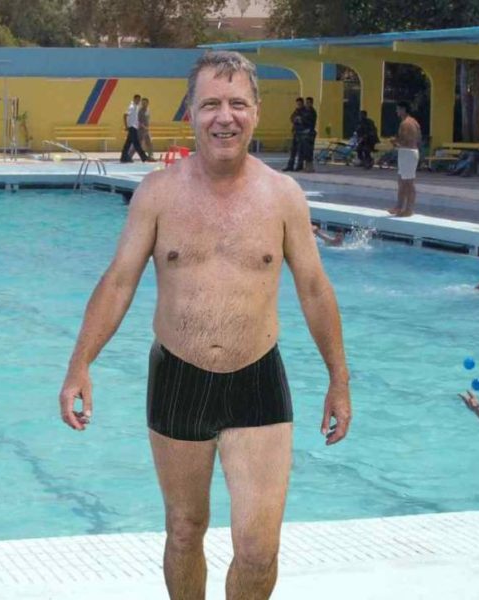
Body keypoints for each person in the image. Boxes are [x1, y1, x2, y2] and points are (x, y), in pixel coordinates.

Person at [59, 51, 351, 600]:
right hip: (179, 377)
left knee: (259, 551)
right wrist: (80, 364)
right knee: (185, 530)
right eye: (211, 103)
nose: (225, 116)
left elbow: (314, 288)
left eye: (237, 103)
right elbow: (119, 280)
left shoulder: (283, 197)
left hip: (257, 378)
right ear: (191, 112)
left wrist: (339, 380)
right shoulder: (157, 194)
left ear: (256, 111)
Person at [388, 101, 421, 217]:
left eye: (398, 109)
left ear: (403, 110)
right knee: (401, 181)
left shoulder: (405, 123)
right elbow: (418, 139)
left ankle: (409, 209)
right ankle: (399, 206)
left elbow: (405, 140)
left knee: (408, 182)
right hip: (410, 152)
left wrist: (394, 142)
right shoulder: (414, 122)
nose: (396, 112)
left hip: (407, 153)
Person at [120, 94, 149, 163]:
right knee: (136, 143)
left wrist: (142, 126)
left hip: (134, 127)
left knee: (128, 144)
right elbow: (125, 115)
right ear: (134, 99)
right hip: (132, 127)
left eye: (139, 100)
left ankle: (123, 157)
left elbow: (135, 119)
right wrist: (126, 126)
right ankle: (144, 157)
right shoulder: (132, 107)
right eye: (137, 100)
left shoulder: (136, 107)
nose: (139, 101)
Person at [282, 97, 308, 172]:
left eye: (299, 104)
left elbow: (306, 121)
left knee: (300, 151)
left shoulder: (305, 111)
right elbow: (292, 118)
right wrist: (295, 119)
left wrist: (301, 120)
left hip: (302, 133)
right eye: (297, 104)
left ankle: (299, 166)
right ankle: (290, 165)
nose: (298, 105)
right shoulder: (296, 110)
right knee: (293, 150)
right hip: (296, 132)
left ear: (302, 103)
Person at [130, 97, 155, 161]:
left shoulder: (148, 110)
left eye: (145, 103)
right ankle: (129, 156)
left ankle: (150, 157)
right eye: (142, 103)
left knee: (149, 143)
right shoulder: (139, 111)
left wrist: (147, 127)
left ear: (147, 103)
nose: (143, 104)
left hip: (146, 130)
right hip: (140, 130)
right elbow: (137, 120)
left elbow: (147, 120)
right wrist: (143, 126)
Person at [302, 96, 317, 172]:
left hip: (310, 133)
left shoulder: (312, 112)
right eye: (306, 103)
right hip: (305, 133)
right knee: (305, 151)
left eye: (308, 103)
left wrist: (307, 129)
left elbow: (312, 123)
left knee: (309, 151)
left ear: (311, 103)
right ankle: (306, 167)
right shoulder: (305, 111)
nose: (306, 104)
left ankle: (310, 167)